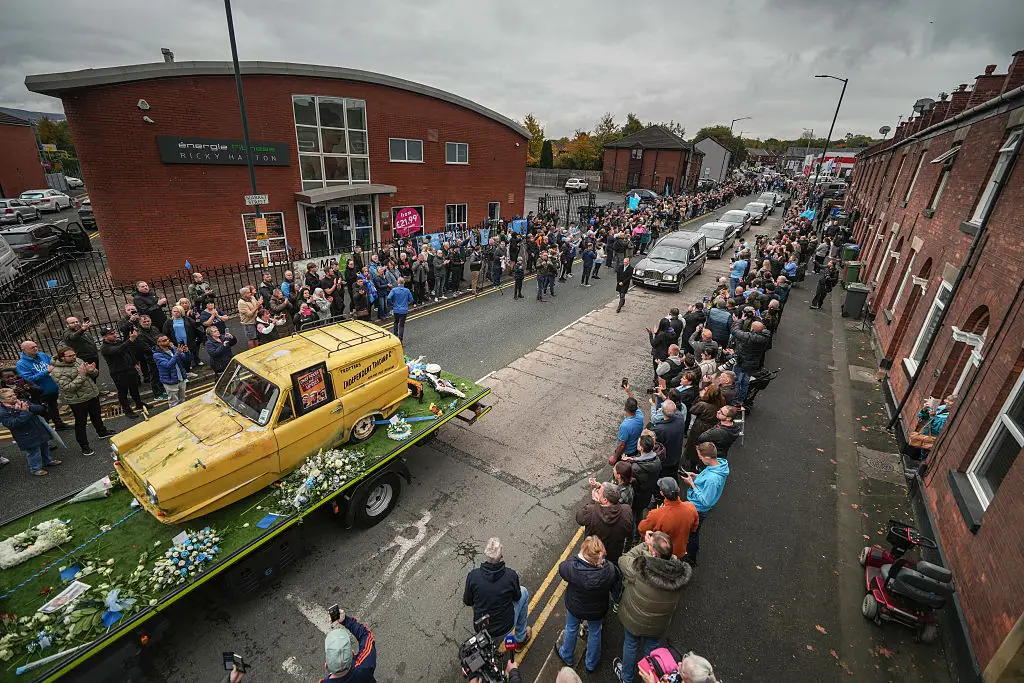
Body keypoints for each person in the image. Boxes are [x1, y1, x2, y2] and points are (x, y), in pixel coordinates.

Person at [613, 530, 691, 683]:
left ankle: (626, 677)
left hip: (635, 620)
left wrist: (644, 544)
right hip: (659, 623)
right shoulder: (680, 575)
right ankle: (649, 678)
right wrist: (652, 547)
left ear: (654, 553)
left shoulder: (639, 568)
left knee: (630, 644)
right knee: (652, 649)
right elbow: (672, 559)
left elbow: (623, 559)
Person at [557, 535, 622, 673]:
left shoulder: (574, 568)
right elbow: (617, 585)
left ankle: (566, 655)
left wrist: (577, 558)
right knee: (595, 632)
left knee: (571, 628)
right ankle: (591, 663)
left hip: (575, 606)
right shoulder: (610, 569)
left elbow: (562, 568)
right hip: (597, 609)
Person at [463, 537, 531, 649]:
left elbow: (468, 601)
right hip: (506, 625)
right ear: (501, 556)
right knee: (523, 591)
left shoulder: (473, 576)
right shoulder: (510, 575)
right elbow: (517, 596)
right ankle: (521, 638)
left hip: (482, 625)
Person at [50, 347, 114, 456]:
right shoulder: (57, 371)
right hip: (78, 401)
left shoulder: (78, 360)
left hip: (92, 394)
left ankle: (102, 432)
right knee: (81, 423)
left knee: (96, 416)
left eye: (74, 354)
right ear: (62, 357)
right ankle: (84, 446)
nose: (74, 357)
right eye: (70, 356)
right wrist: (82, 375)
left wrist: (92, 371)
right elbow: (68, 388)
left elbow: (92, 375)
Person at [682, 442, 731, 566]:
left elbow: (706, 501)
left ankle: (691, 559)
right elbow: (706, 478)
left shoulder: (712, 480)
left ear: (708, 458)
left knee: (693, 534)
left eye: (701, 457)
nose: (700, 459)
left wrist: (692, 484)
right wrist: (696, 477)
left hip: (698, 508)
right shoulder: (717, 465)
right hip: (697, 505)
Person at [0, 388, 63, 476]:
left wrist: (29, 407)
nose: (13, 397)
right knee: (33, 451)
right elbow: (13, 424)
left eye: (13, 394)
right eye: (9, 397)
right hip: (25, 434)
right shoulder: (3, 412)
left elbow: (39, 409)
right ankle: (35, 468)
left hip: (37, 428)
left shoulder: (22, 402)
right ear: (2, 400)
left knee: (44, 446)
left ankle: (47, 461)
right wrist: (25, 412)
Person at [638, 478, 699, 559]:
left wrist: (658, 511)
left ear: (662, 493)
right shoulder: (690, 507)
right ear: (678, 489)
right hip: (681, 551)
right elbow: (694, 528)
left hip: (661, 553)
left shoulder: (656, 514)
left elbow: (642, 529)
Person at [17, 340, 71, 430]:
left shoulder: (42, 355)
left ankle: (58, 424)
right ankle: (45, 430)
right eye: (32, 347)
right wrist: (46, 372)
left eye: (36, 346)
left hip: (52, 388)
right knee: (44, 412)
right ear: (24, 350)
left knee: (54, 407)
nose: (36, 348)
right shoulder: (21, 364)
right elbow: (28, 379)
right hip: (40, 392)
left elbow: (53, 364)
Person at [578, 481, 634, 563]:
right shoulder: (626, 510)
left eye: (599, 492)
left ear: (605, 500)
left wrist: (593, 502)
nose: (597, 492)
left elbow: (579, 518)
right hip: (614, 554)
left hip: (593, 553)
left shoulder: (591, 511)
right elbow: (630, 532)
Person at [321, 609, 376, 682]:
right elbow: (365, 635)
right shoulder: (365, 665)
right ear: (353, 653)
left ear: (326, 666)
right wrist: (346, 621)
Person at [729, 315, 770, 405]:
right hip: (753, 363)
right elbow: (761, 326)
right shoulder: (765, 336)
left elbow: (735, 331)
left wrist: (740, 320)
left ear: (752, 329)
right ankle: (741, 400)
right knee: (745, 382)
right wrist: (756, 317)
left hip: (742, 362)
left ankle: (734, 400)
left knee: (736, 381)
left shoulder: (750, 337)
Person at [650, 400, 686, 481]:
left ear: (662, 412)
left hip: (665, 461)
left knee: (663, 480)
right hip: (676, 455)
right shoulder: (680, 418)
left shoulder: (659, 429)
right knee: (673, 476)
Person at [162, 305, 199, 378]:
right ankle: (183, 374)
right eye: (174, 311)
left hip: (188, 341)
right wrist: (169, 342)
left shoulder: (187, 319)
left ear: (181, 312)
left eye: (178, 311)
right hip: (176, 342)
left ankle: (188, 372)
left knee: (188, 356)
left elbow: (195, 327)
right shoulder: (169, 321)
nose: (176, 313)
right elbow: (165, 332)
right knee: (179, 358)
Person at [153, 335, 189, 408]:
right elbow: (168, 365)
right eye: (164, 340)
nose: (167, 341)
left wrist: (186, 351)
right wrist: (177, 354)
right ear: (158, 343)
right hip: (170, 381)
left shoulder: (174, 348)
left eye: (167, 339)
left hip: (181, 378)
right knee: (174, 403)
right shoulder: (157, 355)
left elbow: (186, 359)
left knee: (182, 400)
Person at [610, 396, 644, 465]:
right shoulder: (640, 415)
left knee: (620, 469)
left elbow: (621, 445)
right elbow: (634, 403)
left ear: (624, 408)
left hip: (625, 453)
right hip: (634, 449)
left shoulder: (625, 426)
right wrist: (628, 391)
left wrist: (615, 457)